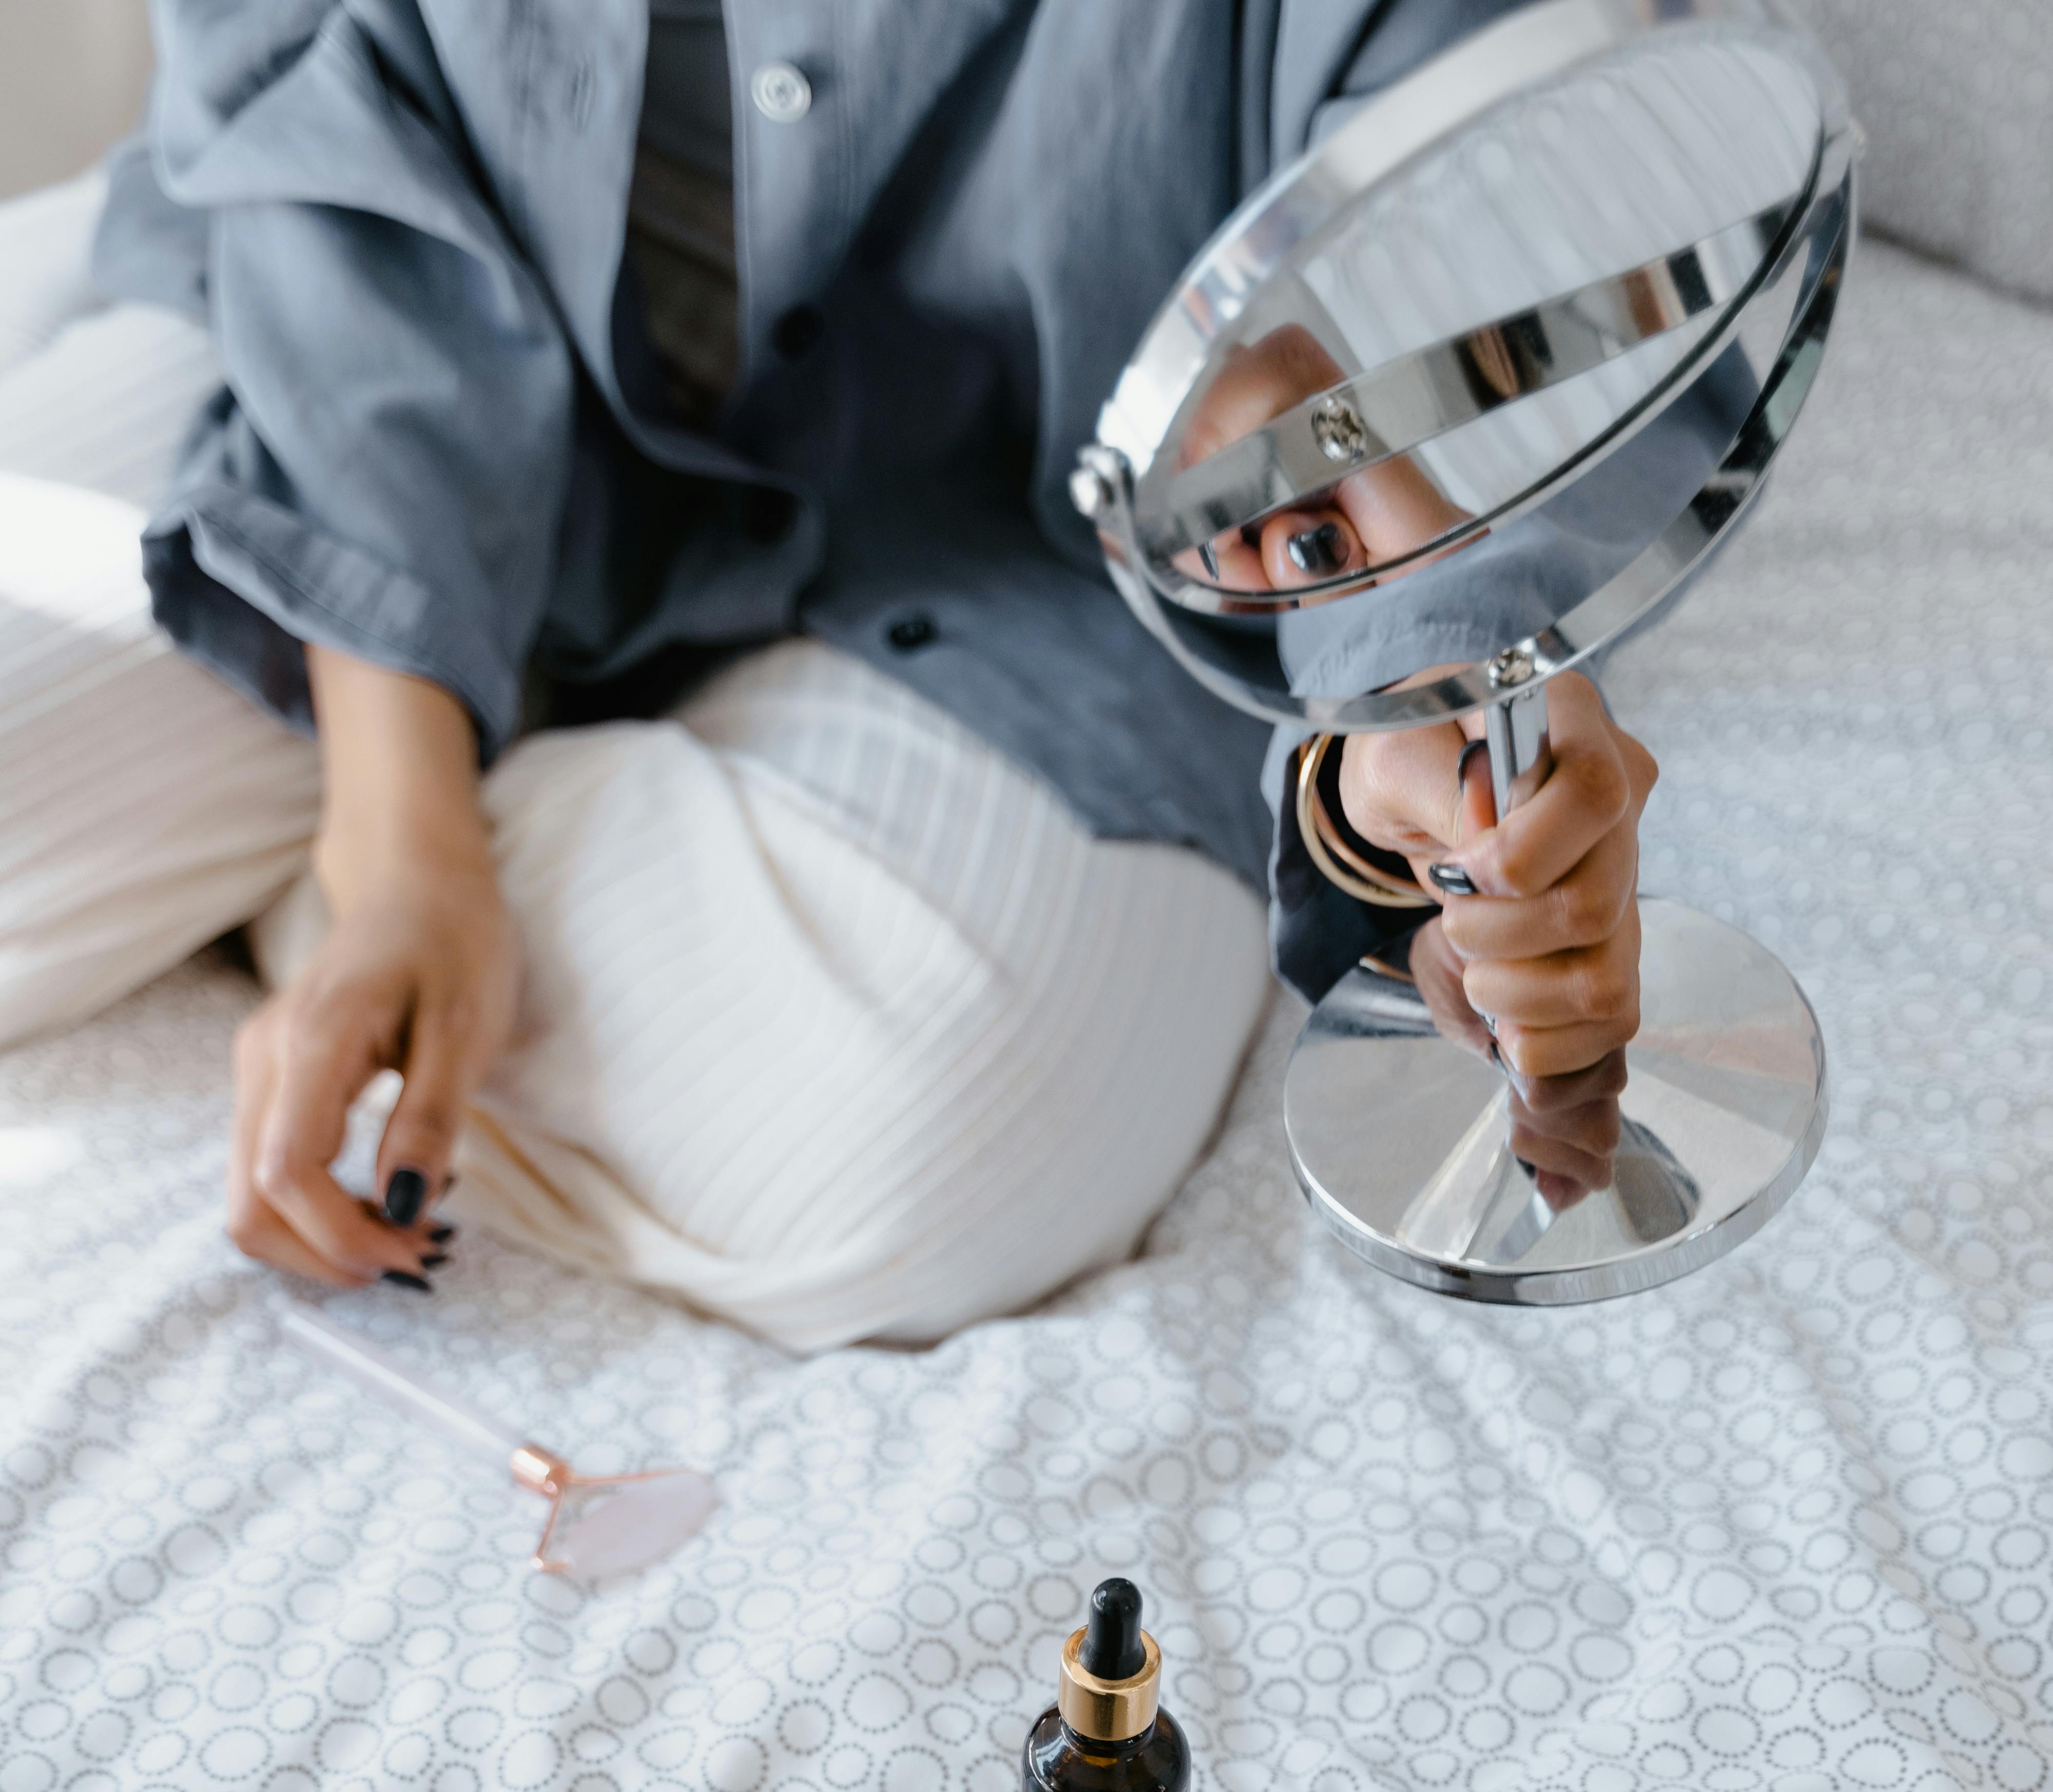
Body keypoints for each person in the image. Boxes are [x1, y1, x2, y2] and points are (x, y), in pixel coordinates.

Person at [0, 0, 1651, 1350]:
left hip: (1041, 549)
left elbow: (1475, 244)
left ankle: (316, 873)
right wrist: (398, 827)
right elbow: (319, 132)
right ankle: (386, 851)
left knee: (918, 1149)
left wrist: (1416, 678)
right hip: (363, 354)